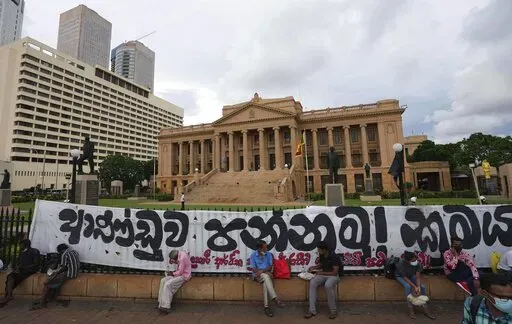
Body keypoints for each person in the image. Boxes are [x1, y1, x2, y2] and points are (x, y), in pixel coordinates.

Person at [32, 244, 80, 309]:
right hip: (75, 273)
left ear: (61, 250)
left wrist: (55, 272)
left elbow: (63, 267)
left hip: (68, 274)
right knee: (56, 283)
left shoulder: (64, 255)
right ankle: (53, 299)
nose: (60, 254)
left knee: (47, 283)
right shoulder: (74, 252)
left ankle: (42, 302)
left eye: (60, 252)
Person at [304, 241, 341, 319]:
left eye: (319, 249)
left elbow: (334, 272)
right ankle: (312, 310)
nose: (318, 251)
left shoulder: (334, 257)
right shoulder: (322, 255)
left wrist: (320, 272)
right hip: (324, 274)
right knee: (313, 282)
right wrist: (313, 267)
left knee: (328, 285)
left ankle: (333, 310)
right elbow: (322, 264)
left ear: (324, 249)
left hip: (333, 276)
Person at [395, 251, 435, 319]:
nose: (415, 261)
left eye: (415, 259)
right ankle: (411, 310)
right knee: (408, 287)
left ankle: (426, 309)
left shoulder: (417, 263)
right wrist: (414, 286)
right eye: (413, 260)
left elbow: (417, 277)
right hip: (400, 276)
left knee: (422, 287)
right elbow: (404, 277)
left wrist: (418, 287)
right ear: (408, 261)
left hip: (410, 275)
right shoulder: (401, 263)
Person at [249, 240, 285, 317]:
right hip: (257, 276)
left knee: (266, 280)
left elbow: (270, 266)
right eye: (264, 248)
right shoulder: (253, 256)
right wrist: (261, 272)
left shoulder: (268, 254)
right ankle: (275, 299)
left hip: (265, 274)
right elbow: (254, 269)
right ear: (259, 248)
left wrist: (263, 271)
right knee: (266, 276)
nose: (266, 249)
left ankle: (267, 307)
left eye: (266, 248)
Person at [0, 239, 40, 306]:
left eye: (21, 245)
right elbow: (20, 263)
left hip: (30, 270)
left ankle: (9, 296)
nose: (20, 246)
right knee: (10, 276)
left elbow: (36, 264)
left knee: (11, 277)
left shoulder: (35, 251)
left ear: (25, 245)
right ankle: (8, 295)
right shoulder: (23, 252)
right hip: (23, 270)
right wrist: (17, 267)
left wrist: (24, 267)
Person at [158, 249, 191, 315]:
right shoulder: (180, 254)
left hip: (184, 276)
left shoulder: (182, 258)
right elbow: (178, 269)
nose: (173, 261)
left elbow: (180, 272)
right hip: (178, 274)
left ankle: (166, 307)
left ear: (176, 257)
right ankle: (161, 303)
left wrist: (172, 273)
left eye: (174, 260)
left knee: (168, 284)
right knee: (163, 280)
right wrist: (172, 272)